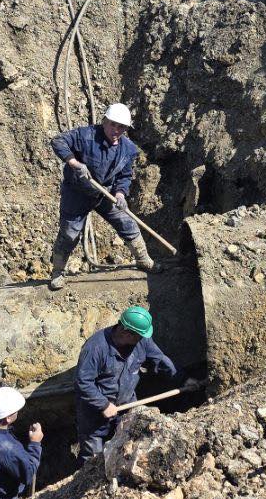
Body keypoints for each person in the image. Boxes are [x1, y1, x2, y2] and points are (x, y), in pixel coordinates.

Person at [48, 102, 154, 290]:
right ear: (104, 121)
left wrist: (120, 194)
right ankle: (58, 272)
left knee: (127, 223)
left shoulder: (128, 149)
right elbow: (58, 141)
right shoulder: (85, 136)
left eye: (121, 127)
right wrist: (75, 164)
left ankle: (144, 260)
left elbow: (125, 175)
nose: (116, 129)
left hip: (106, 193)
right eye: (112, 124)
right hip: (77, 193)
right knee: (69, 234)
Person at [75, 306, 176, 459]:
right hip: (94, 413)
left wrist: (182, 378)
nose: (143, 339)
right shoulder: (96, 348)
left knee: (130, 447)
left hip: (127, 405)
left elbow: (160, 360)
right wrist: (104, 404)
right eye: (139, 336)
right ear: (125, 332)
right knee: (92, 457)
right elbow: (83, 382)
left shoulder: (142, 340)